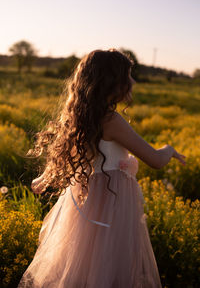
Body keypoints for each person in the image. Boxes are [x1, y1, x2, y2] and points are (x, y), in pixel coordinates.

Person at [18, 49, 186, 288]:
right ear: (113, 83)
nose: (133, 81)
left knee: (81, 263)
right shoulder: (112, 121)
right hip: (112, 203)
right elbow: (156, 160)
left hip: (84, 200)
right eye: (128, 76)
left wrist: (44, 179)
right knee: (108, 265)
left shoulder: (80, 116)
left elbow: (69, 156)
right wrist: (169, 149)